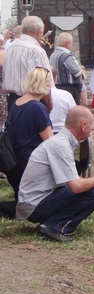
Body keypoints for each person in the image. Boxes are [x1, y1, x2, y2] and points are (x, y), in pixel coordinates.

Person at [16, 106, 94, 242]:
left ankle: (53, 223)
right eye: (91, 123)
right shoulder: (60, 145)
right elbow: (75, 186)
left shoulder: (61, 141)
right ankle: (53, 226)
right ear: (83, 125)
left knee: (91, 189)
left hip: (35, 201)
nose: (93, 127)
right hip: (35, 206)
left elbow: (72, 180)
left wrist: (90, 184)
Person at [0, 67, 54, 217]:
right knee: (31, 204)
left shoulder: (17, 103)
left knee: (22, 199)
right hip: (30, 161)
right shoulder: (38, 108)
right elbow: (50, 142)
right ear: (44, 85)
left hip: (13, 159)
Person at [2, 16, 53, 110]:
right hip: (32, 102)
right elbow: (46, 82)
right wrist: (49, 105)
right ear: (39, 31)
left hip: (12, 102)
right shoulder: (37, 51)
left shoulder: (10, 48)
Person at [49, 32, 84, 105]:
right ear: (67, 44)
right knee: (73, 111)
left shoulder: (53, 54)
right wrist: (81, 68)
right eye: (71, 43)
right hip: (69, 88)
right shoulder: (66, 56)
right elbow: (77, 72)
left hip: (57, 85)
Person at [49, 67, 76, 134]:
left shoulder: (34, 97)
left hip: (43, 133)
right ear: (55, 78)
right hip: (63, 131)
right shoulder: (66, 95)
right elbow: (74, 115)